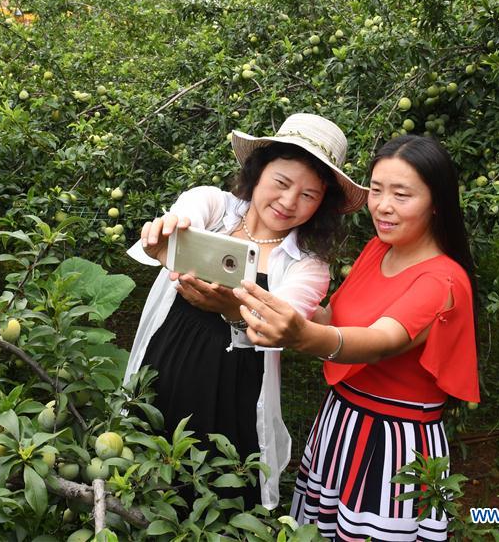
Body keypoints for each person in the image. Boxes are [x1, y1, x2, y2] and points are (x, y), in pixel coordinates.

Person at [234, 135, 480, 540]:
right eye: (378, 190)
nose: (383, 206)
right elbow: (335, 317)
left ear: (437, 202)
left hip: (392, 443)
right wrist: (291, 286)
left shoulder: (443, 280)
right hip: (341, 422)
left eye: (402, 194)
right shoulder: (379, 249)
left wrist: (303, 336)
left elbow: (381, 340)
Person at [122, 114, 368, 510]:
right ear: (257, 172)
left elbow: (278, 325)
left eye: (309, 195)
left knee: (217, 494)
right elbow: (187, 213)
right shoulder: (216, 210)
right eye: (281, 183)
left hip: (233, 388)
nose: (289, 202)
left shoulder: (307, 266)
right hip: (165, 364)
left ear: (323, 204)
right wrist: (169, 231)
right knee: (141, 468)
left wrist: (233, 310)